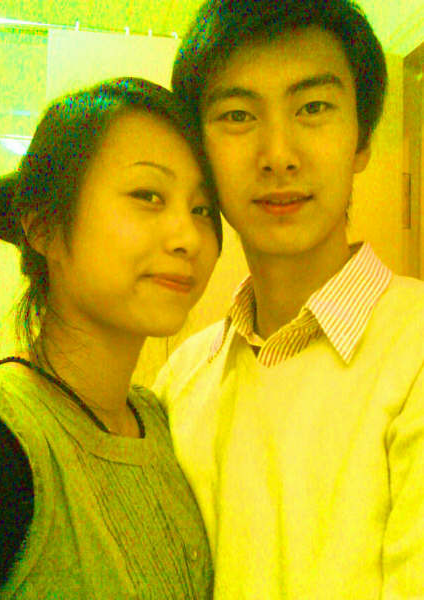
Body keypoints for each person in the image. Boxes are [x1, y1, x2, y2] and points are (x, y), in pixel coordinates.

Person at [153, 0, 424, 597]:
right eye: (238, 115)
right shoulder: (180, 381)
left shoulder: (414, 350)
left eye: (314, 107)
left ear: (361, 140)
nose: (278, 154)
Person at [0, 76, 222, 599]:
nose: (188, 237)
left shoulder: (161, 421)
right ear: (43, 229)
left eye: (202, 209)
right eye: (148, 195)